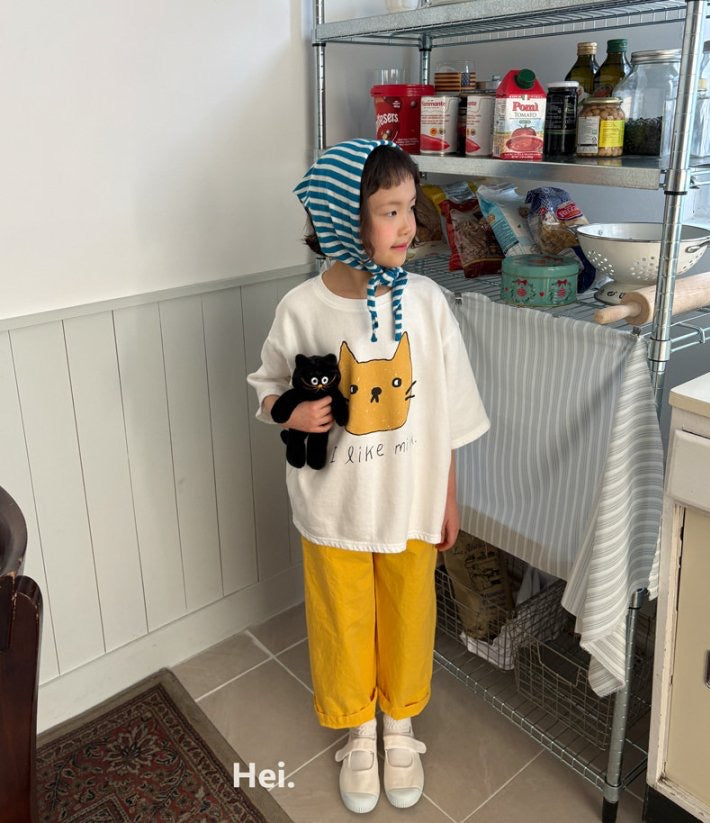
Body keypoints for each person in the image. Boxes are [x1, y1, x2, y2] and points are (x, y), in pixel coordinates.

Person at [247, 138, 489, 814]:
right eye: (390, 211)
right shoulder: (302, 308)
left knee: (410, 613)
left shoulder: (429, 304)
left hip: (410, 503)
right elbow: (267, 387)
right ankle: (359, 730)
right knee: (342, 619)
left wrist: (447, 497)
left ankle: (399, 725)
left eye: (411, 207)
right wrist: (293, 409)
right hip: (333, 507)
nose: (409, 225)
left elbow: (449, 411)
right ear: (342, 221)